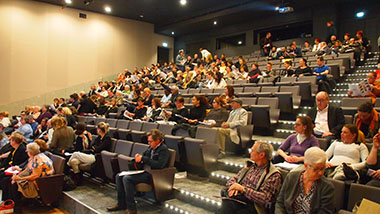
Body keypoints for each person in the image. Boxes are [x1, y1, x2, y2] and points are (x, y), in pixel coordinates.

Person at [107, 129, 170, 214]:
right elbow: (144, 156)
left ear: (158, 141)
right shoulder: (151, 148)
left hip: (155, 175)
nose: (149, 143)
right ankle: (121, 203)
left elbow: (159, 165)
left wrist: (144, 159)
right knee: (119, 176)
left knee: (127, 179)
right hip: (145, 172)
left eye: (150, 141)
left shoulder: (164, 150)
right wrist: (139, 158)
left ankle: (132, 208)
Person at [217, 141, 282, 214]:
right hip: (239, 200)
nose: (250, 152)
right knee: (228, 204)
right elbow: (233, 179)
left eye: (252, 150)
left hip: (255, 206)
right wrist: (233, 187)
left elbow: (265, 198)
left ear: (261, 155)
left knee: (228, 207)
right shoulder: (250, 167)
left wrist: (243, 189)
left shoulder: (273, 175)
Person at [275, 147, 335, 214]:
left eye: (322, 168)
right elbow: (280, 203)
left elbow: (325, 212)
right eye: (316, 169)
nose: (320, 173)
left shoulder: (327, 186)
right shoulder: (291, 177)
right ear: (306, 166)